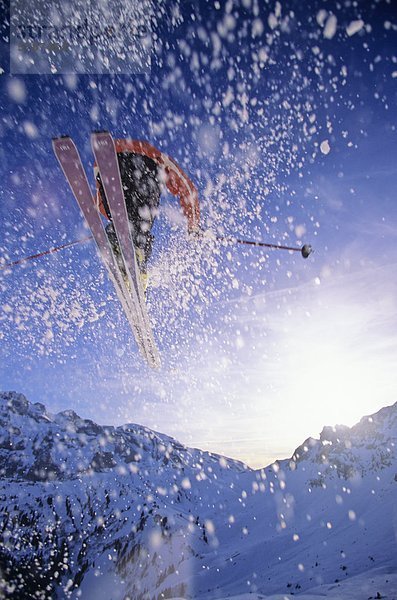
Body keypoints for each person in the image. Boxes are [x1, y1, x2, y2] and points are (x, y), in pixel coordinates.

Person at [94, 139, 200, 293]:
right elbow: (187, 190)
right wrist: (194, 225)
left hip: (106, 168)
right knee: (141, 220)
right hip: (144, 166)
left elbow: (99, 202)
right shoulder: (158, 157)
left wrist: (115, 221)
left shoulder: (149, 155)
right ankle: (136, 253)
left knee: (122, 221)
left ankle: (117, 244)